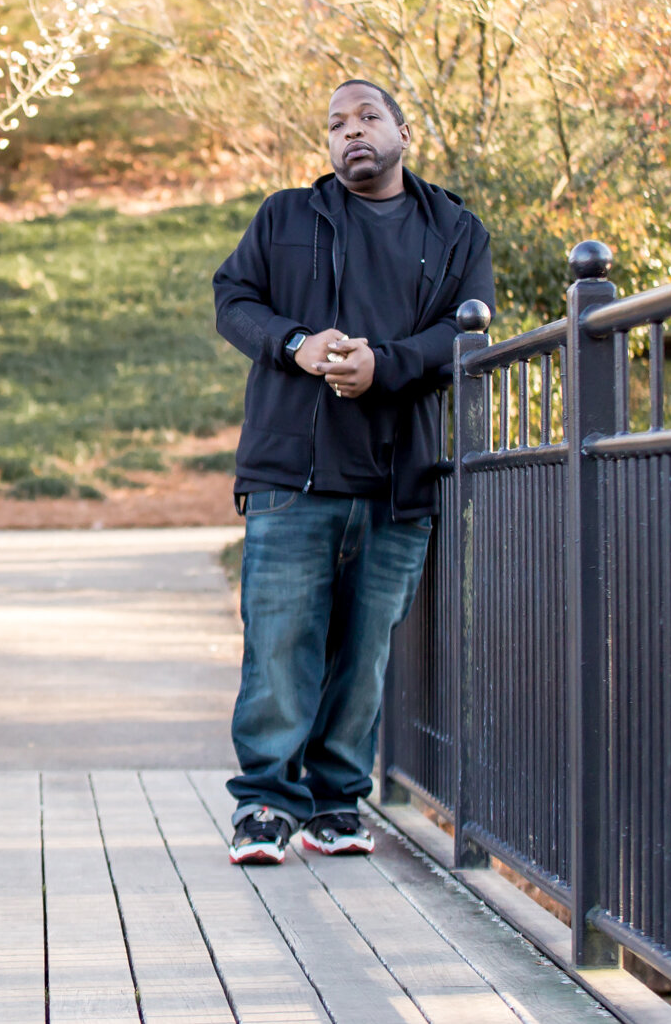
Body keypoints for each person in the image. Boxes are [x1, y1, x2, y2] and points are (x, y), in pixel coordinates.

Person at [211, 78, 494, 865]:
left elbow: (466, 332)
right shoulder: (286, 216)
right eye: (336, 123)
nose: (350, 132)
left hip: (398, 476)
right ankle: (265, 803)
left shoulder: (457, 230)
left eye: (367, 117)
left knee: (365, 655)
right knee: (278, 644)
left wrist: (385, 364)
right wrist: (296, 342)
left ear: (404, 130)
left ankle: (336, 804)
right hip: (289, 470)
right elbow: (233, 297)